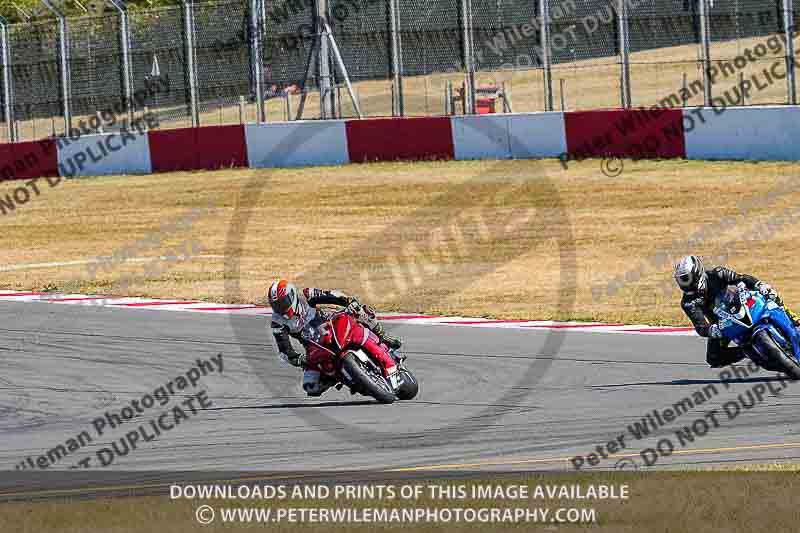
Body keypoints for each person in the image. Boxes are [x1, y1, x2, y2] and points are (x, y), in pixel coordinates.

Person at [267, 279, 402, 396]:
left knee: (360, 311)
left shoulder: (307, 295)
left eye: (283, 303)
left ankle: (383, 336)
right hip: (314, 345)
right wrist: (299, 360)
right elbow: (284, 351)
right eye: (276, 305)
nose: (280, 308)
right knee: (311, 386)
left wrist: (348, 301)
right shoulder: (277, 322)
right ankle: (338, 377)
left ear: (292, 296)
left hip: (332, 324)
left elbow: (332, 295)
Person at [674, 255, 800, 368]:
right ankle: (747, 351)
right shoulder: (687, 302)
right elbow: (700, 325)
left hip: (740, 305)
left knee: (770, 294)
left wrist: (759, 285)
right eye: (681, 279)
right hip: (723, 324)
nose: (684, 283)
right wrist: (712, 330)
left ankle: (792, 318)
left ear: (697, 273)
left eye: (686, 278)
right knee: (714, 358)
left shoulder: (718, 273)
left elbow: (742, 278)